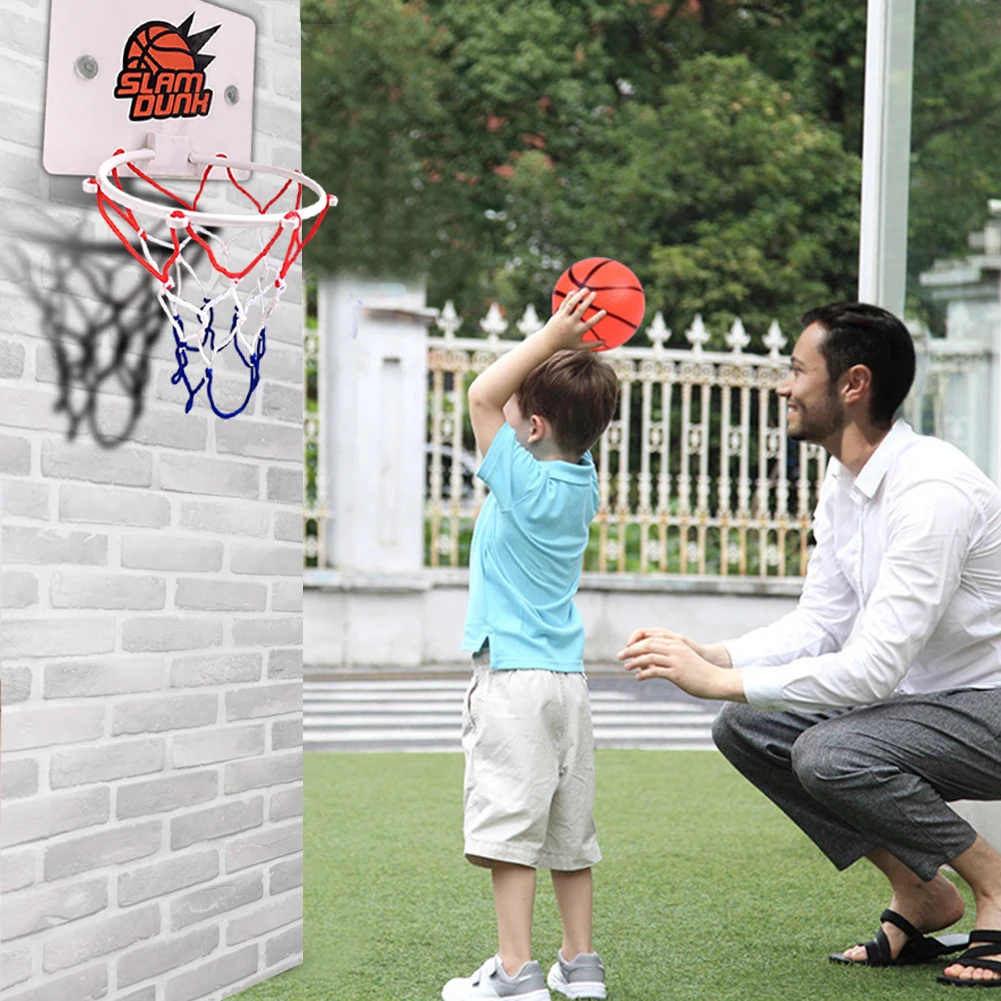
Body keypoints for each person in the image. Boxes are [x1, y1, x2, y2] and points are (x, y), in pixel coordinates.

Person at [618, 302, 1001, 987]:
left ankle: (995, 886)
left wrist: (716, 679)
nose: (782, 386)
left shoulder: (932, 492)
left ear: (852, 384)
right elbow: (819, 623)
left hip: (988, 709)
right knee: (746, 726)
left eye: (797, 370)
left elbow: (871, 670)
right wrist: (716, 656)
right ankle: (922, 891)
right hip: (929, 710)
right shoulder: (846, 479)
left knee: (828, 751)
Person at [442, 286, 620, 1001]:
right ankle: (579, 965)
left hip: (513, 681)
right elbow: (505, 401)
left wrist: (551, 335)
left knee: (510, 836)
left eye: (521, 406)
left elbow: (481, 393)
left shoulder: (519, 478)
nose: (505, 407)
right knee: (568, 833)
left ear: (533, 425)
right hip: (567, 684)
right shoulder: (580, 481)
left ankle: (515, 973)